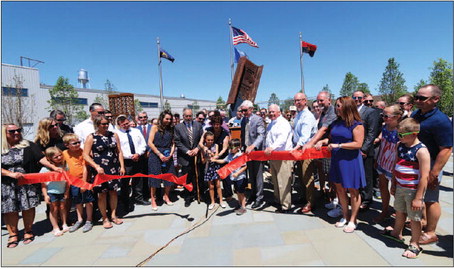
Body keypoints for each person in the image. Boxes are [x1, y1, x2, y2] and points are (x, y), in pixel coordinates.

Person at [1, 124, 63, 248]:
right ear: (4, 133)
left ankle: (28, 231)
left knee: (28, 207)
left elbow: (41, 158)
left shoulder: (28, 144)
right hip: (8, 183)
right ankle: (13, 234)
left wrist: (54, 167)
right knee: (10, 209)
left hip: (27, 182)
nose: (16, 133)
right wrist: (10, 174)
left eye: (19, 130)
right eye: (12, 131)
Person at [315, 97, 366, 233]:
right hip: (337, 160)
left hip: (350, 161)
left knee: (353, 190)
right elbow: (333, 138)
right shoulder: (337, 122)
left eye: (338, 106)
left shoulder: (357, 124)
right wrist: (323, 141)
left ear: (347, 107)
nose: (336, 108)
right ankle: (345, 216)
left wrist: (339, 145)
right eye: (336, 105)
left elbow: (358, 144)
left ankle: (353, 220)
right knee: (340, 189)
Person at [381, 118, 430, 259]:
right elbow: (396, 164)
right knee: (399, 210)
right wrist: (394, 184)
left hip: (413, 190)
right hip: (401, 186)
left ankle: (415, 243)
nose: (399, 137)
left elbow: (424, 177)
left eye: (402, 135)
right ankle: (397, 232)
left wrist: (418, 198)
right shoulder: (400, 145)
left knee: (414, 218)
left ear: (414, 134)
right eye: (398, 134)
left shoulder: (421, 151)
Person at [412, 84, 453, 245]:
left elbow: (446, 149)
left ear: (435, 99)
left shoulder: (440, 120)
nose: (417, 100)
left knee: (430, 199)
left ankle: (431, 232)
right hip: (415, 162)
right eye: (416, 97)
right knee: (419, 196)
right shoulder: (417, 114)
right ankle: (422, 222)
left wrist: (434, 173)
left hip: (431, 164)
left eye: (422, 98)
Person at [82, 115, 125, 229]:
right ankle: (105, 218)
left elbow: (119, 151)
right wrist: (96, 166)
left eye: (107, 123)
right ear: (97, 124)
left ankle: (113, 215)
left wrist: (122, 166)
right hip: (100, 170)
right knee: (102, 194)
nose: (106, 126)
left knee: (113, 192)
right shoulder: (91, 137)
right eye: (103, 124)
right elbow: (85, 155)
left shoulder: (114, 135)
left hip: (114, 168)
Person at [303, 91, 339, 216]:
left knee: (334, 178)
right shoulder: (323, 113)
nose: (319, 103)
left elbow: (324, 129)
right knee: (328, 175)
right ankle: (333, 199)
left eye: (322, 100)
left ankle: (337, 203)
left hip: (333, 150)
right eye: (318, 101)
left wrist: (311, 143)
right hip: (325, 149)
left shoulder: (332, 112)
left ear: (329, 100)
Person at [352, 90, 381, 212]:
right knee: (357, 175)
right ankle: (357, 197)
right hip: (353, 149)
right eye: (355, 97)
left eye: (359, 97)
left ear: (363, 98)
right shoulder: (351, 111)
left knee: (367, 176)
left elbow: (372, 133)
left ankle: (367, 199)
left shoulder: (371, 112)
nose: (357, 99)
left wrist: (364, 149)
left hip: (365, 151)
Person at [373, 105, 403, 223]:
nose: (384, 118)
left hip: (394, 164)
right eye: (383, 115)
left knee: (395, 191)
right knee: (383, 187)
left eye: (387, 116)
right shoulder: (384, 127)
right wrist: (378, 158)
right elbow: (383, 143)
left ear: (397, 117)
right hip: (382, 161)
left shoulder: (401, 130)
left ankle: (400, 215)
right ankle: (385, 210)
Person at [62, 133, 94, 233]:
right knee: (77, 201)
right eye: (74, 143)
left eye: (79, 142)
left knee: (88, 201)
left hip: (83, 180)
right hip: (72, 182)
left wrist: (84, 182)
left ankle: (89, 220)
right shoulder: (64, 153)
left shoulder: (83, 152)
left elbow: (85, 168)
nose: (77, 144)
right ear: (67, 145)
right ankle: (79, 219)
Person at [264, 104, 293, 213]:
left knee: (283, 181)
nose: (271, 114)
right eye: (269, 112)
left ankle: (286, 206)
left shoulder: (283, 123)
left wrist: (272, 147)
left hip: (282, 156)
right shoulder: (271, 123)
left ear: (279, 112)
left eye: (273, 112)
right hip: (273, 155)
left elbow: (282, 139)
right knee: (275, 180)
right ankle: (278, 200)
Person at [291, 93, 317, 213]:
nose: (297, 103)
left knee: (307, 176)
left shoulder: (307, 116)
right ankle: (303, 197)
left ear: (305, 101)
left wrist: (296, 147)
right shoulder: (298, 115)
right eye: (295, 101)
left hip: (306, 150)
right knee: (300, 176)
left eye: (300, 100)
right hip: (299, 149)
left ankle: (310, 202)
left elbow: (305, 136)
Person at [115, 115, 147, 214]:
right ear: (119, 125)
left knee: (138, 179)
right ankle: (125, 202)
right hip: (126, 161)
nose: (126, 125)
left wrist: (138, 153)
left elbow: (143, 144)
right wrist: (129, 156)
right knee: (125, 183)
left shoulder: (136, 131)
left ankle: (138, 198)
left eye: (127, 123)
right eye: (123, 124)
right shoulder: (117, 134)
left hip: (138, 158)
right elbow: (118, 150)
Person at [175, 108, 204, 207]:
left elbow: (202, 139)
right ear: (183, 116)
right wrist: (187, 151)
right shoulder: (178, 127)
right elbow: (177, 141)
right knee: (187, 178)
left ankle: (198, 194)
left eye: (190, 116)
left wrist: (197, 149)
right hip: (185, 157)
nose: (188, 118)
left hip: (197, 156)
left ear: (192, 116)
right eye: (186, 116)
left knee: (197, 176)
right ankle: (188, 197)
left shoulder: (198, 125)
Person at [148, 110, 176, 210]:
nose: (168, 121)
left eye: (170, 119)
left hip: (168, 154)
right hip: (156, 154)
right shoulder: (154, 127)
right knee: (154, 177)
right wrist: (159, 154)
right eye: (166, 118)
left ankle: (166, 196)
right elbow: (150, 143)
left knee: (168, 176)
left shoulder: (172, 129)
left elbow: (173, 143)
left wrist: (171, 154)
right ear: (161, 118)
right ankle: (153, 198)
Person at [240, 100, 266, 209]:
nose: (243, 112)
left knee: (258, 175)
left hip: (257, 152)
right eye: (242, 110)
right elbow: (243, 134)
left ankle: (259, 198)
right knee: (251, 174)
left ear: (251, 109)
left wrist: (253, 146)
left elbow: (261, 135)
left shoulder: (258, 119)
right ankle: (253, 194)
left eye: (245, 110)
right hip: (247, 152)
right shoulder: (243, 120)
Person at [199, 115, 231, 200]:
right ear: (212, 124)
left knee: (225, 175)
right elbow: (200, 143)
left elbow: (224, 148)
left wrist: (218, 156)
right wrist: (205, 148)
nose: (216, 126)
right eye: (214, 124)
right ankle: (213, 195)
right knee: (211, 176)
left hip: (221, 155)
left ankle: (228, 194)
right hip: (209, 155)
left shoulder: (225, 133)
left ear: (220, 124)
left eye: (218, 124)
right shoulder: (207, 130)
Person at [213, 139, 248, 215]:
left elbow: (244, 167)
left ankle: (243, 207)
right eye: (230, 147)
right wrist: (215, 160)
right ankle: (240, 205)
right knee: (238, 192)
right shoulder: (230, 155)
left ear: (238, 147)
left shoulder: (241, 156)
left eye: (232, 148)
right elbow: (223, 161)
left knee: (241, 193)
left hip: (240, 177)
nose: (230, 149)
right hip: (234, 178)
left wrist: (238, 173)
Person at [40, 147, 70, 236]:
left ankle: (64, 224)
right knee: (54, 209)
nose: (59, 158)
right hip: (51, 192)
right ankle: (55, 227)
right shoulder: (45, 170)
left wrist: (67, 191)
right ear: (49, 159)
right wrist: (45, 195)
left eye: (60, 155)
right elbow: (43, 185)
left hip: (62, 190)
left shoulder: (65, 166)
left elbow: (68, 180)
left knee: (62, 207)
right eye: (56, 157)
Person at [200, 131, 226, 209]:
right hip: (208, 168)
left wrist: (212, 154)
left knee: (218, 185)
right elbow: (202, 161)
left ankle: (221, 200)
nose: (210, 141)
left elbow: (216, 156)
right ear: (205, 140)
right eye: (209, 140)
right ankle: (212, 201)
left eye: (212, 140)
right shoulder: (203, 148)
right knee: (211, 186)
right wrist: (207, 157)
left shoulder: (216, 145)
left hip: (215, 167)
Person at [135, 111, 152, 205]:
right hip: (141, 157)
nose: (143, 119)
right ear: (138, 119)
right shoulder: (135, 130)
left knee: (151, 175)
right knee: (142, 177)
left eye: (144, 117)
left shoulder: (153, 128)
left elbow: (155, 141)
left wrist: (149, 151)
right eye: (141, 117)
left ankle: (153, 194)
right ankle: (144, 195)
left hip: (151, 154)